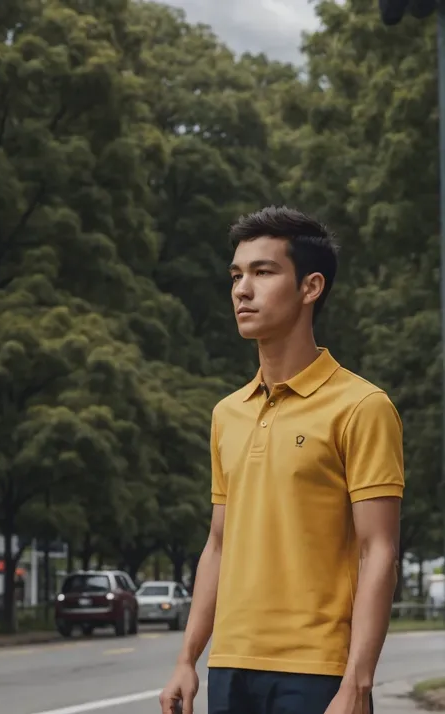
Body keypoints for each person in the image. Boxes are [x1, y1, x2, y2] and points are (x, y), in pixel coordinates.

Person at [159, 206, 404, 714]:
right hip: (230, 666)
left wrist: (357, 683)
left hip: (317, 671)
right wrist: (187, 657)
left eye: (263, 272)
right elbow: (219, 544)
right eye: (236, 275)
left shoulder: (361, 406)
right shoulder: (227, 413)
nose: (242, 289)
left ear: (310, 287)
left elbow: (378, 550)